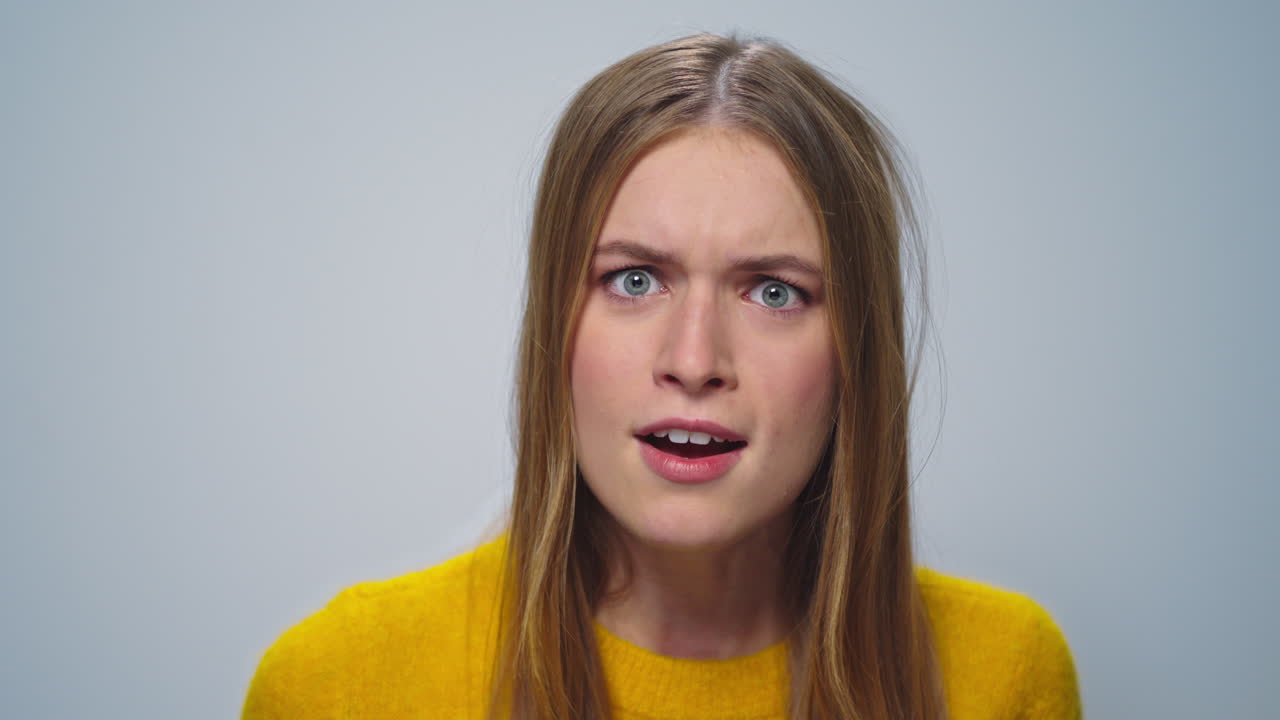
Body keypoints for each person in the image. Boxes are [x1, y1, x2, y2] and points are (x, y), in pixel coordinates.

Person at [242, 32, 1082, 720]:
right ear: (554, 328)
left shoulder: (1002, 674)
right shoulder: (338, 686)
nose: (693, 361)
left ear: (855, 355)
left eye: (774, 291)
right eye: (634, 280)